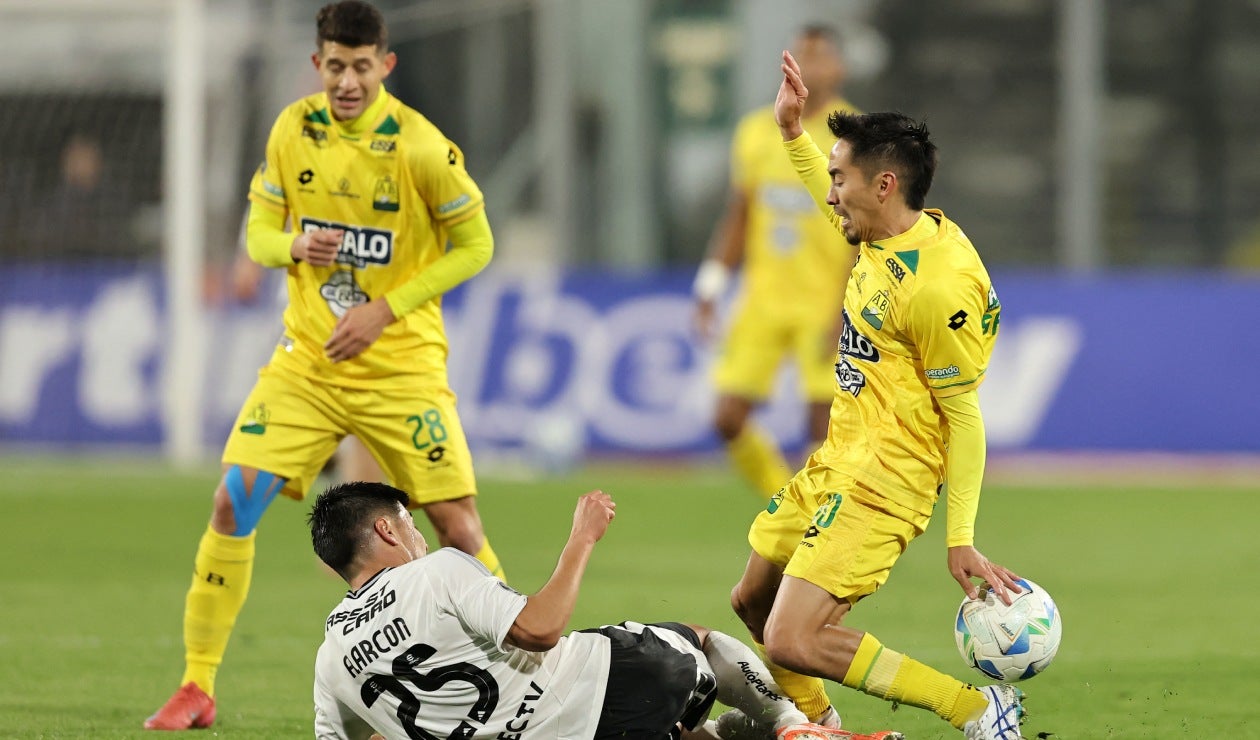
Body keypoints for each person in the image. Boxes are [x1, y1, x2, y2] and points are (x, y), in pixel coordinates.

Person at [145, 1, 505, 729]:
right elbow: (258, 232)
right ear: (318, 64)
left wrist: (385, 308)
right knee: (231, 499)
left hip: (400, 366)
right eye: (335, 66)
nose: (347, 80)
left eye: (361, 67)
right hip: (306, 364)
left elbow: (477, 246)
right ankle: (198, 684)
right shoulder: (292, 128)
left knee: (456, 527)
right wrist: (290, 250)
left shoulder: (421, 148)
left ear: (385, 65)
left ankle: (525, 668)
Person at [723, 50, 1029, 740]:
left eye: (840, 179)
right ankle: (823, 728)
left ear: (884, 184)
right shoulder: (882, 234)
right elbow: (823, 196)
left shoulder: (938, 287)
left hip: (887, 478)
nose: (829, 193)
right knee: (752, 601)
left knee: (793, 640)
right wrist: (792, 133)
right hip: (839, 460)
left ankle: (980, 711)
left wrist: (962, 539)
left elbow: (965, 414)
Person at [308, 481, 899, 740]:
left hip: (584, 730)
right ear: (386, 528)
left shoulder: (330, 656)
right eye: (410, 524)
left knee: (683, 732)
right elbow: (539, 630)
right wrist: (581, 538)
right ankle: (796, 728)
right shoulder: (436, 571)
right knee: (693, 642)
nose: (419, 535)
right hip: (619, 686)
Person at [693, 26, 859, 500]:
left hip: (824, 300)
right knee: (727, 418)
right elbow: (740, 217)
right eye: (800, 55)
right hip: (763, 300)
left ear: (839, 68)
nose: (809, 64)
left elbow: (865, 233)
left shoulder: (857, 135)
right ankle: (783, 502)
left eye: (820, 56)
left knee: (823, 427)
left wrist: (848, 308)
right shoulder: (753, 132)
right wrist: (709, 287)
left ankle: (816, 524)